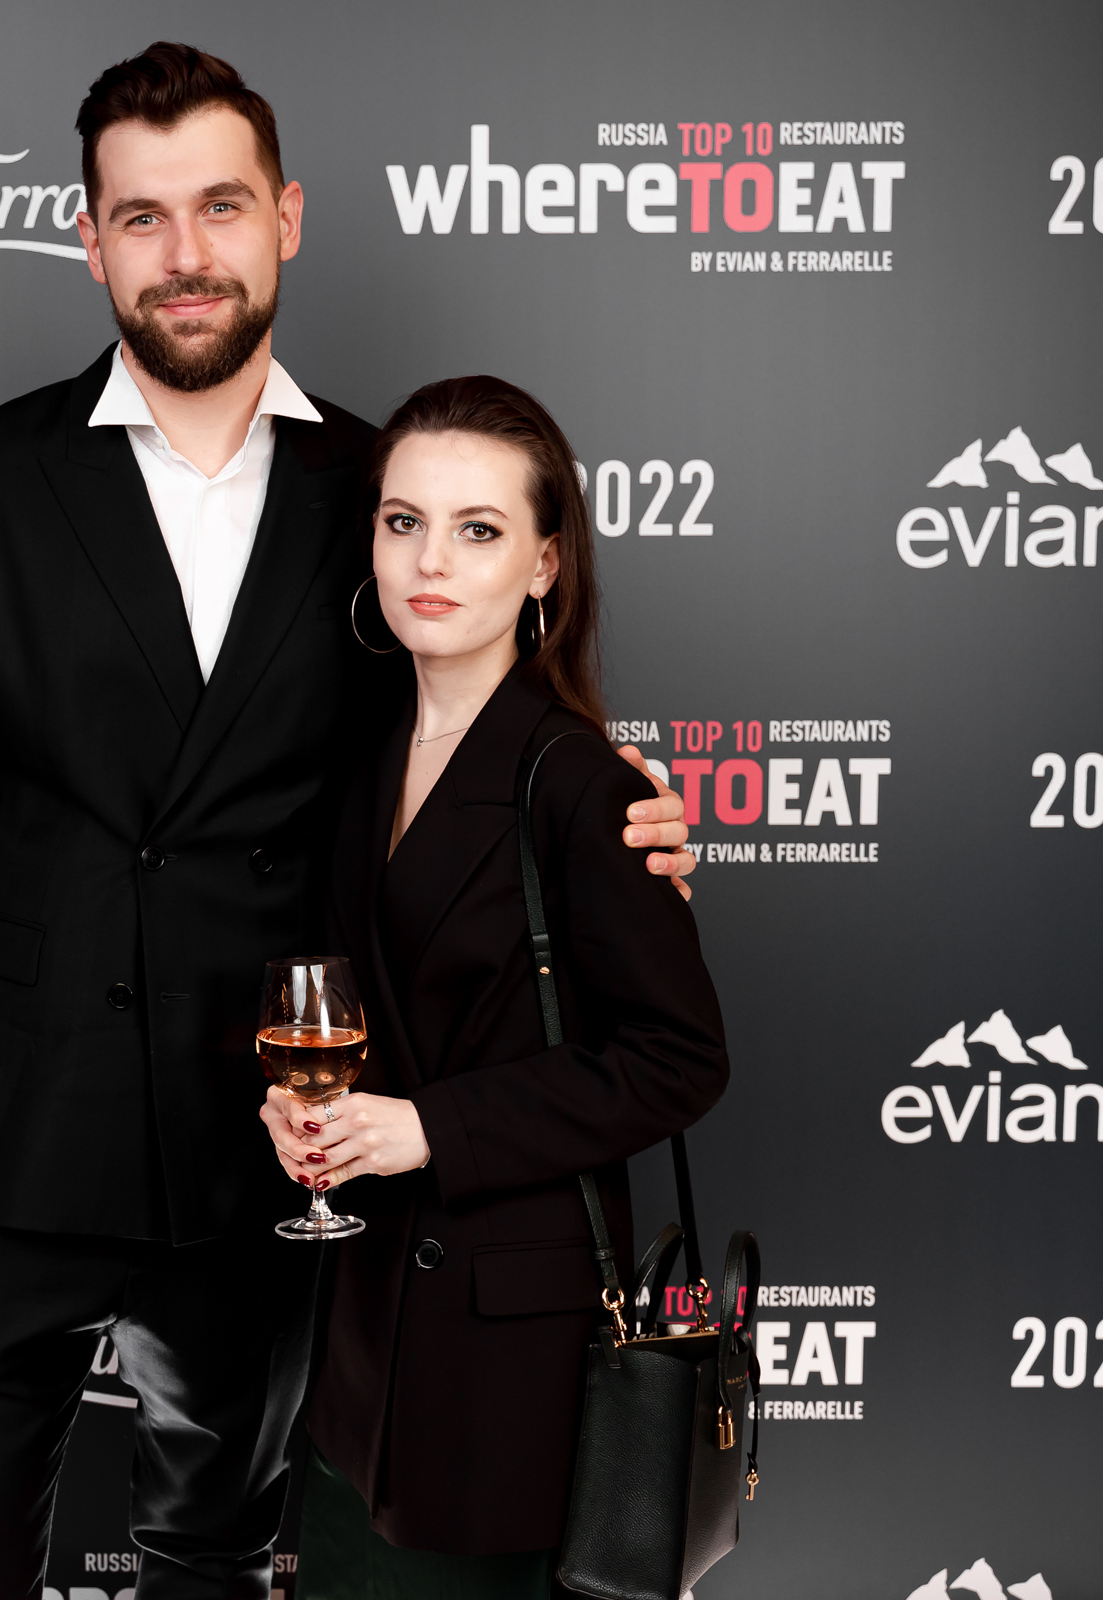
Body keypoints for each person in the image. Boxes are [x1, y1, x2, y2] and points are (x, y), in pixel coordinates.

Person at [0, 45, 696, 1600]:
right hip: (6, 1136)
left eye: (220, 207)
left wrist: (605, 807)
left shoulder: (382, 490)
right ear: (90, 241)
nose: (186, 253)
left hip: (269, 1152)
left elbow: (467, 724)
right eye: (141, 217)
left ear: (284, 217)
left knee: (219, 1558)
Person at [260, 376, 732, 1595]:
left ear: (544, 565)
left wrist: (429, 1127)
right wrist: (293, 1112)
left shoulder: (583, 782)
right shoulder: (362, 764)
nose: (431, 560)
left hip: (508, 1369)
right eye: (403, 521)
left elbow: (678, 1060)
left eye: (479, 529)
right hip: (357, 1359)